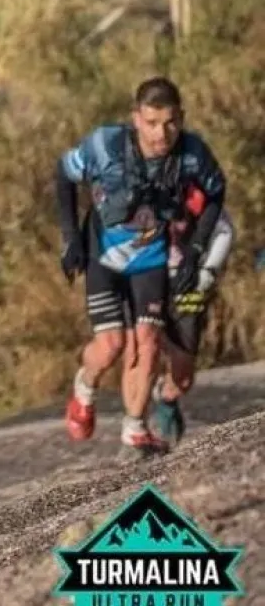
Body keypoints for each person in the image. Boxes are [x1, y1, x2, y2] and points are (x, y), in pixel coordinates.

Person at [55, 76, 226, 459]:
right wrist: (69, 238)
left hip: (150, 261)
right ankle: (85, 386)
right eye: (151, 122)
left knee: (147, 343)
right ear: (136, 118)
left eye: (169, 123)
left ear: (180, 118)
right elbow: (64, 175)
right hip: (104, 258)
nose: (160, 133)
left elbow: (216, 192)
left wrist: (197, 247)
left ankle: (134, 430)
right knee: (112, 344)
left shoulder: (193, 153)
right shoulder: (106, 144)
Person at [147, 188, 235, 444]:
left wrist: (208, 270)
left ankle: (166, 396)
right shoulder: (135, 187)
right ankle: (138, 425)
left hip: (189, 284)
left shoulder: (197, 192)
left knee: (183, 376)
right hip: (147, 280)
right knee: (145, 347)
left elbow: (224, 231)